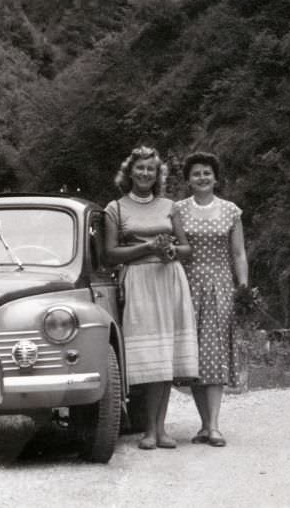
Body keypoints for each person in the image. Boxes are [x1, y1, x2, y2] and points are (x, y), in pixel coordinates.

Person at [104, 146, 199, 450]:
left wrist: (171, 251)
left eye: (151, 169)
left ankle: (160, 429)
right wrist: (146, 249)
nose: (146, 173)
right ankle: (147, 430)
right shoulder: (115, 208)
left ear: (158, 175)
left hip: (168, 279)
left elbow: (186, 249)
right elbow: (109, 254)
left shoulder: (170, 206)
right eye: (140, 168)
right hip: (139, 280)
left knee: (166, 355)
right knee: (147, 356)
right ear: (129, 171)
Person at [173, 151, 249, 448]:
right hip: (187, 285)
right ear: (188, 180)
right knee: (194, 355)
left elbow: (239, 253)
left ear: (215, 177)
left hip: (219, 285)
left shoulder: (231, 211)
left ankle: (215, 426)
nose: (202, 178)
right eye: (196, 174)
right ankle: (204, 425)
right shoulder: (177, 210)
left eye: (207, 173)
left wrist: (242, 287)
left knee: (214, 352)